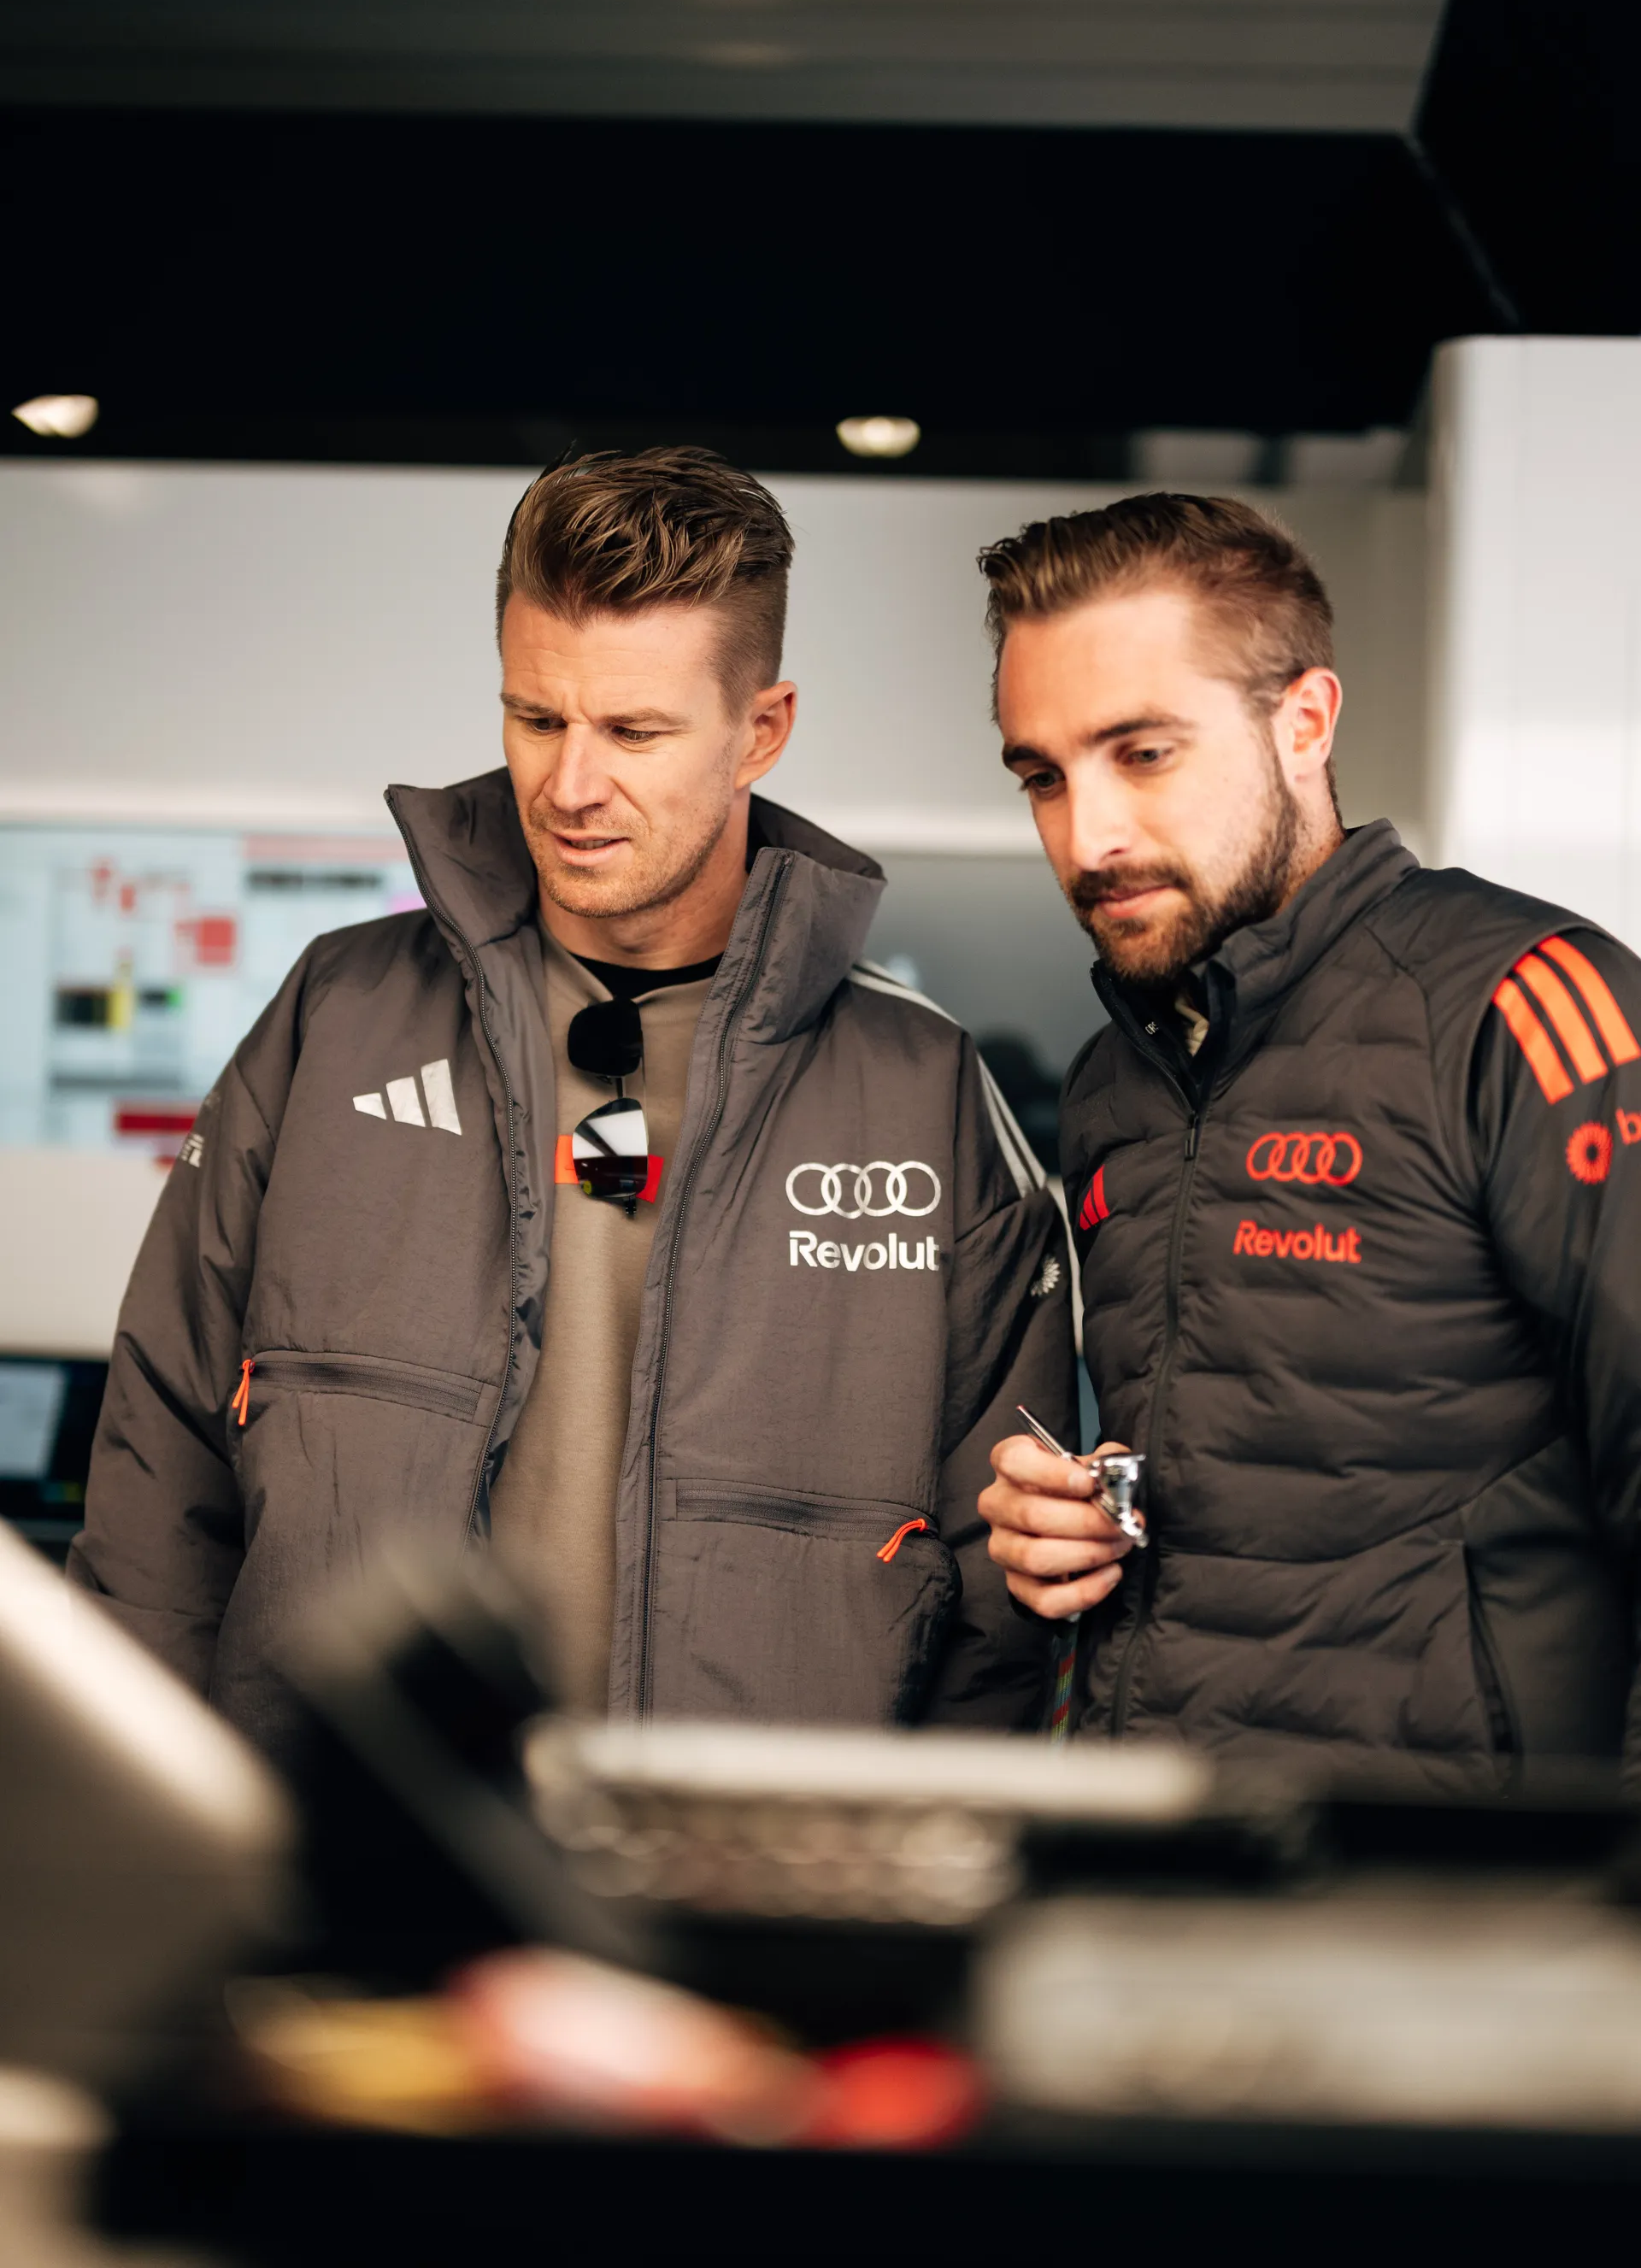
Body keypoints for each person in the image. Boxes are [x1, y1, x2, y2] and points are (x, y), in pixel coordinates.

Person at [70, 448, 1073, 1759]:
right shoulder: (337, 1016)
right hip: (351, 1871)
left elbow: (1006, 1586)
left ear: (760, 730)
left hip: (745, 1893)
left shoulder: (924, 1092)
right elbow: (160, 1469)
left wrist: (885, 1889)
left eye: (635, 732)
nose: (570, 786)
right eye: (536, 718)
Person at [976, 491, 1641, 1781]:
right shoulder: (1118, 1078)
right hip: (1173, 1868)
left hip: (1464, 1898)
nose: (1088, 835)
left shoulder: (1525, 1003)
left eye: (1144, 753)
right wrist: (1059, 1529)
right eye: (1044, 777)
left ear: (1306, 721)